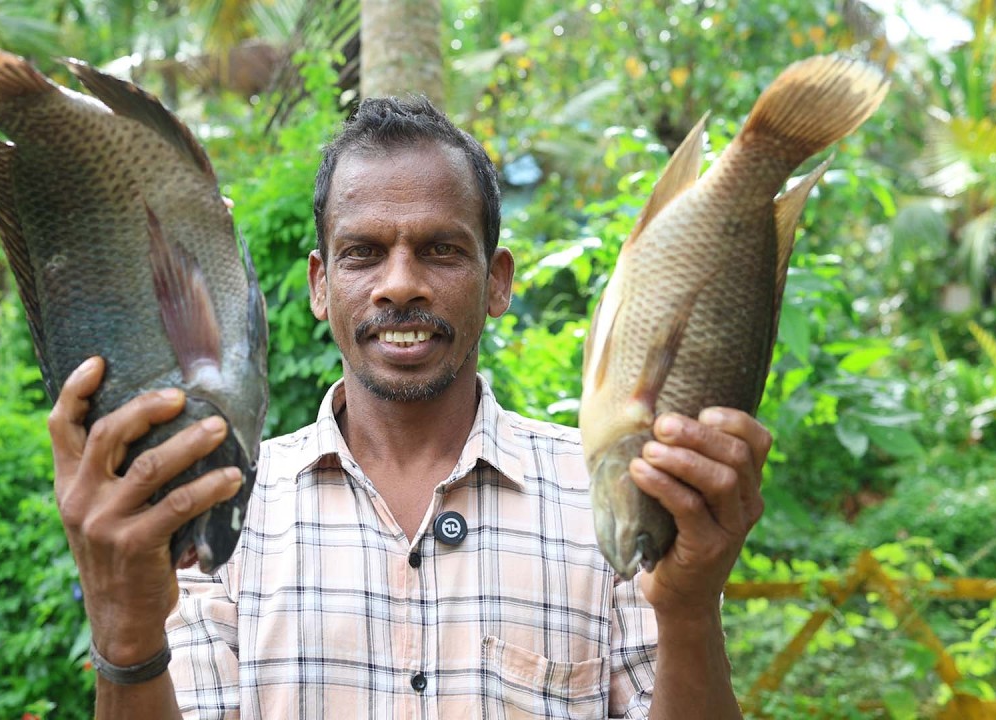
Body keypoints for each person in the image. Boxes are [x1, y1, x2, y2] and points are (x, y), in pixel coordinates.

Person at [50, 97, 769, 719]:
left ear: (496, 281)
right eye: (363, 253)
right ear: (320, 285)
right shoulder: (225, 509)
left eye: (440, 250)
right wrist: (125, 634)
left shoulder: (607, 495)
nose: (400, 285)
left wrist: (688, 608)